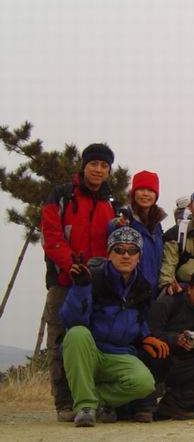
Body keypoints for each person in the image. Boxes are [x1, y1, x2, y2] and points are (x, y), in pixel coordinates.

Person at [59, 227, 166, 427]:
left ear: (139, 257)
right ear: (109, 254)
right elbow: (71, 321)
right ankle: (85, 407)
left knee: (144, 383)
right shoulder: (93, 278)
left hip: (120, 353)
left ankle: (95, 399)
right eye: (119, 249)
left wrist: (145, 336)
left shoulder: (143, 286)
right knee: (76, 333)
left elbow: (140, 318)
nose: (126, 255)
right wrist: (81, 288)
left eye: (132, 250)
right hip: (90, 352)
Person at [40, 142, 117, 421]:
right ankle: (64, 402)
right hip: (64, 281)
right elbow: (51, 234)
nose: (98, 169)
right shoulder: (61, 195)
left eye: (104, 166)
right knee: (59, 340)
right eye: (93, 164)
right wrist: (69, 263)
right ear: (83, 166)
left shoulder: (111, 203)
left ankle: (91, 397)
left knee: (95, 340)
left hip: (97, 285)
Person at [143, 268, 194, 420]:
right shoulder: (168, 303)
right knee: (152, 348)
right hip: (163, 361)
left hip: (190, 366)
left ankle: (175, 405)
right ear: (190, 289)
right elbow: (148, 334)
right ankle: (144, 405)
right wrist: (175, 339)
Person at [110, 170, 167, 298]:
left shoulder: (157, 225)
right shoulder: (125, 219)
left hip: (153, 293)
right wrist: (116, 224)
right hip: (130, 293)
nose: (145, 194)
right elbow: (111, 228)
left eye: (150, 190)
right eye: (141, 189)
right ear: (134, 192)